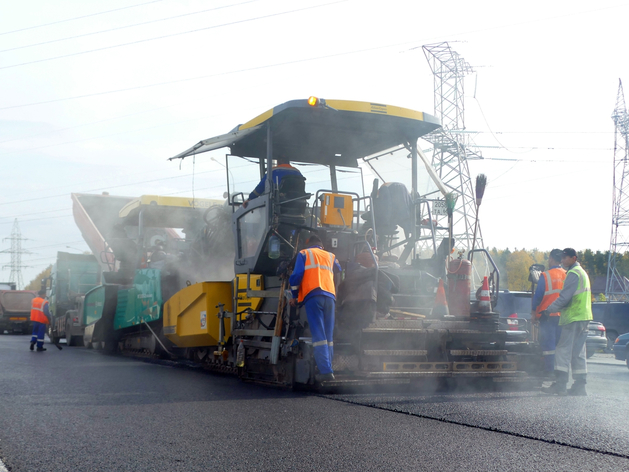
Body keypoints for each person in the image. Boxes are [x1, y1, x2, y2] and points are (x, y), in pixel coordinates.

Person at [288, 234, 341, 382]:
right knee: (328, 336)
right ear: (321, 245)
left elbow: (296, 276)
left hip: (313, 296)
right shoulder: (330, 255)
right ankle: (328, 367)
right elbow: (339, 269)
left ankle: (326, 372)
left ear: (308, 244)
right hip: (330, 297)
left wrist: (294, 295)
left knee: (319, 335)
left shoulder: (304, 253)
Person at [541, 248, 592, 396]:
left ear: (573, 258)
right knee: (578, 351)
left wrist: (547, 311)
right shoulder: (583, 273)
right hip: (584, 317)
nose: (562, 261)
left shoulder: (573, 273)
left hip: (573, 318)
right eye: (562, 258)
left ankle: (560, 385)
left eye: (565, 258)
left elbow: (564, 298)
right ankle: (580, 386)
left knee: (562, 350)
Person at [531, 249, 566, 376]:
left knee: (548, 346)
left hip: (547, 316)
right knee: (560, 346)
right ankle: (560, 373)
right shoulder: (567, 274)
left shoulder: (546, 275)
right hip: (563, 316)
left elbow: (538, 296)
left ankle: (549, 372)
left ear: (551, 258)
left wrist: (533, 313)